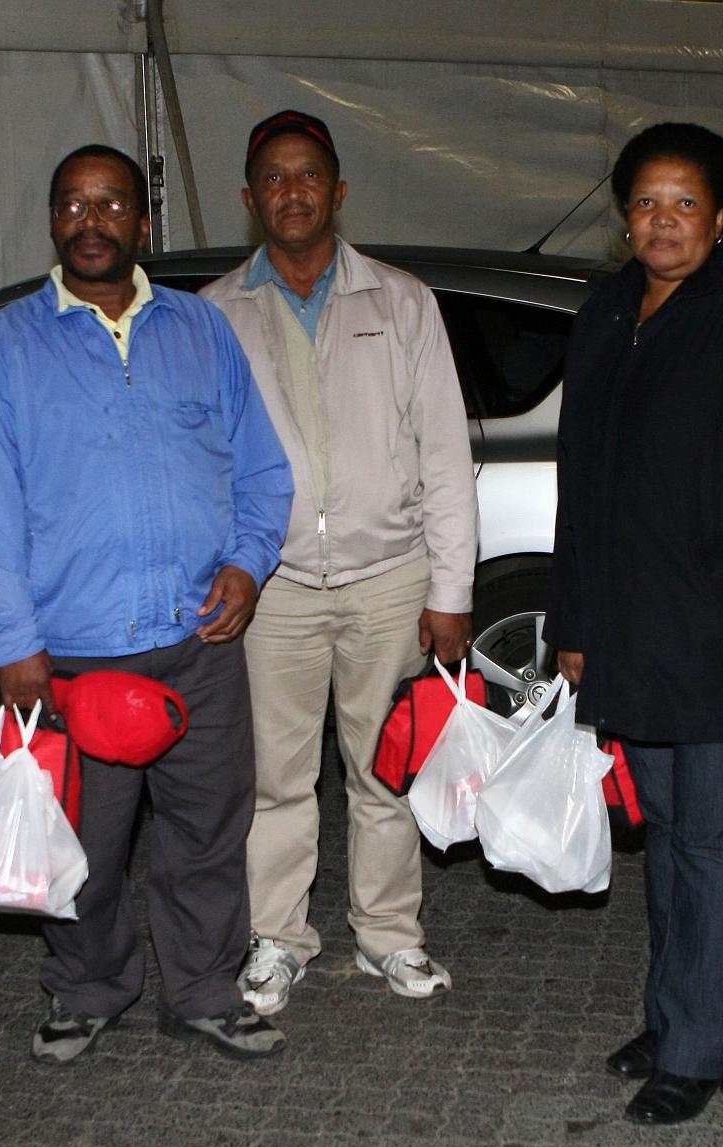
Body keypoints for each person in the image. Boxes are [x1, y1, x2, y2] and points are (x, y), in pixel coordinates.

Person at [0, 144, 295, 1065]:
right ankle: (87, 987)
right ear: (52, 222)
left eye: (110, 205)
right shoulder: (9, 346)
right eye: (72, 205)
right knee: (82, 842)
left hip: (198, 642)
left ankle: (205, 989)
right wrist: (13, 643)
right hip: (76, 654)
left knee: (208, 833)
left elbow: (262, 472)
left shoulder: (200, 330)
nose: (91, 221)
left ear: (143, 223)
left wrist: (247, 566)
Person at [544, 122, 723, 1125]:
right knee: (667, 837)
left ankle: (701, 1051)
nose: (663, 221)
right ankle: (673, 1016)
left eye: (684, 203)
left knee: (711, 843)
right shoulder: (607, 311)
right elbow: (579, 479)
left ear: (721, 218)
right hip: (631, 632)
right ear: (624, 217)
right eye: (645, 202)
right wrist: (574, 621)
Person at [198, 110, 478, 1015]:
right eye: (273, 178)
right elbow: (199, 459)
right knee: (274, 779)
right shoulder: (212, 313)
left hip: (389, 578)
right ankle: (277, 938)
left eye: (309, 174)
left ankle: (389, 937)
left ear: (340, 190)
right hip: (270, 587)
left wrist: (451, 589)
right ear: (249, 200)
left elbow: (445, 453)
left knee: (385, 771)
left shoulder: (401, 301)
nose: (293, 192)